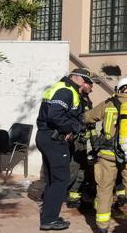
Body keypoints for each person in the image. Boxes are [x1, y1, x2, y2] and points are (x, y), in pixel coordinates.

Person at [84, 76, 127, 233]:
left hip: (107, 156)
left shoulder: (108, 104)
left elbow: (88, 117)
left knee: (105, 190)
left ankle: (102, 227)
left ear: (118, 89)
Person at [36, 68, 93, 231]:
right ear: (79, 79)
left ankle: (49, 215)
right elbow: (55, 115)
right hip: (54, 140)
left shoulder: (62, 88)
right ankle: (49, 220)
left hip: (47, 137)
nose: (90, 87)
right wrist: (72, 128)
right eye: (88, 82)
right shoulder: (66, 91)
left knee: (53, 180)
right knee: (60, 180)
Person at [67, 93, 94, 208]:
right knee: (73, 169)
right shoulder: (75, 99)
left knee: (82, 170)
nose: (91, 88)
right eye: (89, 84)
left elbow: (91, 123)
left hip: (83, 143)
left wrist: (94, 140)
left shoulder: (87, 100)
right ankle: (55, 194)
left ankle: (74, 197)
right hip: (75, 142)